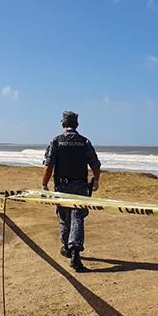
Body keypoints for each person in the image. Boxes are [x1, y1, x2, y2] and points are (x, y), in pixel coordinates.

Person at [42, 111, 101, 272]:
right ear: (77, 125)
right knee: (78, 217)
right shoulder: (84, 142)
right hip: (81, 187)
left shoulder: (56, 141)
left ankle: (68, 248)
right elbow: (95, 164)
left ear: (63, 124)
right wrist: (96, 180)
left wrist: (44, 184)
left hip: (62, 186)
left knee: (64, 216)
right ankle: (74, 250)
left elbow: (49, 165)